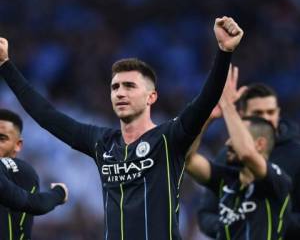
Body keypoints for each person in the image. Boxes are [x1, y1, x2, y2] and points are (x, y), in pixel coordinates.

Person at [0, 16, 243, 239]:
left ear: (151, 97)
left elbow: (205, 100)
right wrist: (6, 65)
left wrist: (224, 52)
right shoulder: (101, 141)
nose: (120, 93)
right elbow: (46, 115)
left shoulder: (169, 138)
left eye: (129, 86)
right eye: (115, 87)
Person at [191, 68, 300, 239]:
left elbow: (248, 154)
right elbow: (188, 160)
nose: (228, 143)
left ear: (260, 144)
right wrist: (208, 116)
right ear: (241, 115)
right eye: (258, 113)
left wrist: (227, 105)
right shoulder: (228, 175)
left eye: (270, 112)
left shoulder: (280, 176)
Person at [0, 108, 68, 240]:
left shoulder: (18, 171)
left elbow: (34, 204)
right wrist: (60, 193)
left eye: (1, 139)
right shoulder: (24, 172)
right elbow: (36, 204)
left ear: (18, 145)